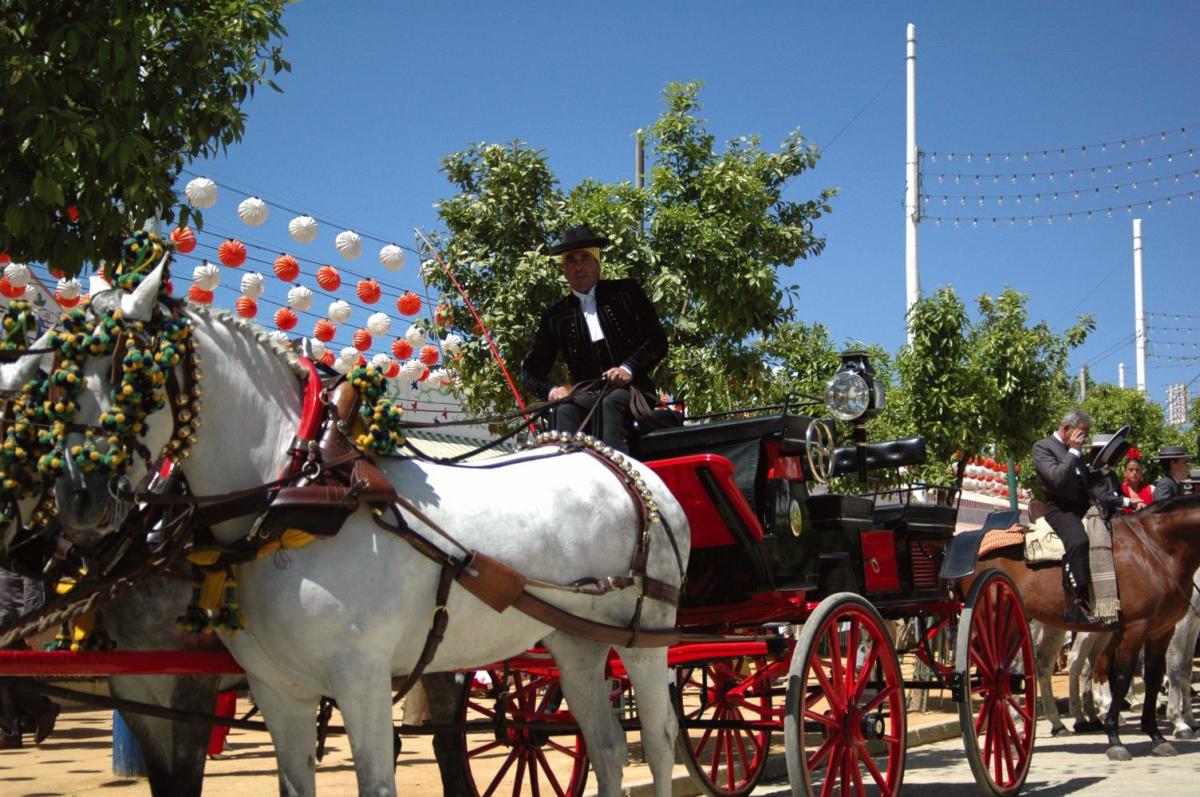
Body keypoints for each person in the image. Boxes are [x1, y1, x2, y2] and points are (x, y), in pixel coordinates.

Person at [521, 224, 668, 453]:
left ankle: (618, 476)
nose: (578, 266)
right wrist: (552, 390)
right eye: (571, 260)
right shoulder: (555, 316)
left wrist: (628, 369)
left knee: (611, 403)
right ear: (564, 270)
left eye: (585, 258)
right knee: (563, 409)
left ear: (597, 264)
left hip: (633, 391)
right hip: (587, 395)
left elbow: (656, 341)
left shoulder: (627, 293)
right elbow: (531, 370)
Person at [1032, 409, 1099, 624]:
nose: (1084, 438)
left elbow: (1085, 480)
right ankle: (1078, 600)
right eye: (1082, 433)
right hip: (1060, 508)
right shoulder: (1043, 447)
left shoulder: (1076, 451)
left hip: (1085, 505)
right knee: (1078, 541)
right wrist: (1074, 451)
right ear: (1067, 428)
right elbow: (1057, 479)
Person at [0, 566, 59, 748]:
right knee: (5, 681)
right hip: (3, 620)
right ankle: (11, 730)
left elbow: (33, 586)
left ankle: (42, 710)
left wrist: (32, 626)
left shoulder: (17, 554)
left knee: (12, 678)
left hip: (16, 623)